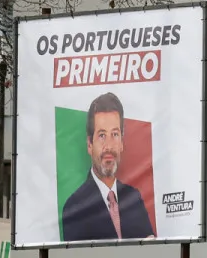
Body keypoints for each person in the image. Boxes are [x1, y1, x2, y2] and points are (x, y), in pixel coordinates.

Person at [61, 92, 156, 241]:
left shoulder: (134, 198)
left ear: (122, 143)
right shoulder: (74, 207)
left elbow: (151, 252)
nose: (109, 146)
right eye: (102, 135)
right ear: (89, 145)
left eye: (115, 134)